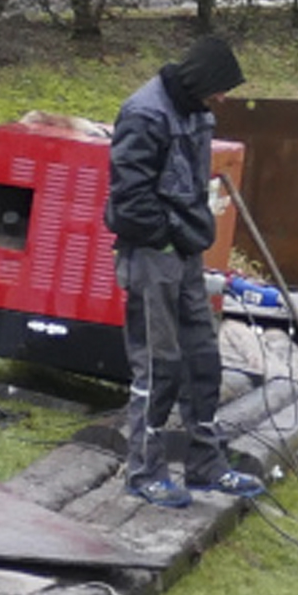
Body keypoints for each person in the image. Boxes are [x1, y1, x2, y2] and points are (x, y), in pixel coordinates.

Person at [105, 35, 265, 510]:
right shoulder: (144, 113)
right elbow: (129, 198)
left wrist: (190, 238)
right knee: (158, 364)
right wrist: (169, 236)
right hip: (152, 255)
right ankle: (145, 471)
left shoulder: (197, 112)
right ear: (200, 82)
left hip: (187, 253)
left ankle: (206, 465)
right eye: (220, 88)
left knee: (201, 360)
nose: (223, 99)